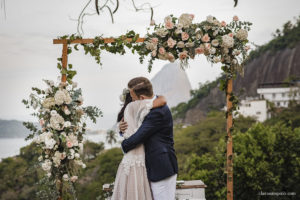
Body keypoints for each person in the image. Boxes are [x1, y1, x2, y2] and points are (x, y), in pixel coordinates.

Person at [120, 77, 178, 200]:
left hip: (161, 167)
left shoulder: (156, 113)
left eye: (132, 96)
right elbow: (134, 126)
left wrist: (124, 145)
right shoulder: (151, 105)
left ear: (141, 98)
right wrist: (122, 129)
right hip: (153, 168)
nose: (131, 100)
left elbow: (138, 137)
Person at [111, 80, 167, 200]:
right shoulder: (136, 106)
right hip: (139, 156)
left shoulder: (129, 109)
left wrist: (119, 130)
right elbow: (161, 100)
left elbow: (127, 131)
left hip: (130, 157)